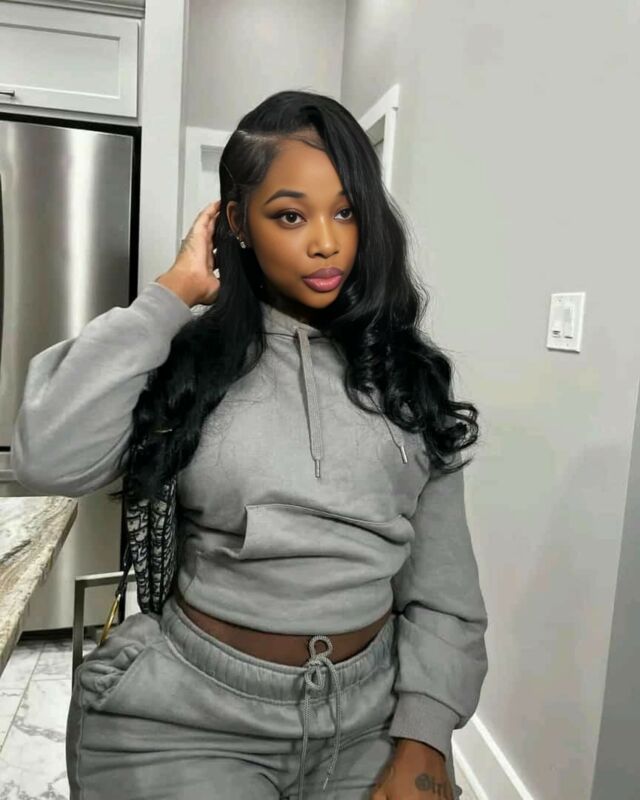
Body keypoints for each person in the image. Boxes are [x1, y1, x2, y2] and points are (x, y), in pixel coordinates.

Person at [10, 89, 488, 800]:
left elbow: (445, 592)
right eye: (290, 215)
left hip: (369, 719)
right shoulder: (186, 360)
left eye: (346, 212)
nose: (325, 242)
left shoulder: (407, 378)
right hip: (189, 717)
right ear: (236, 222)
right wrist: (169, 295)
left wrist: (424, 737)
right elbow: (47, 458)